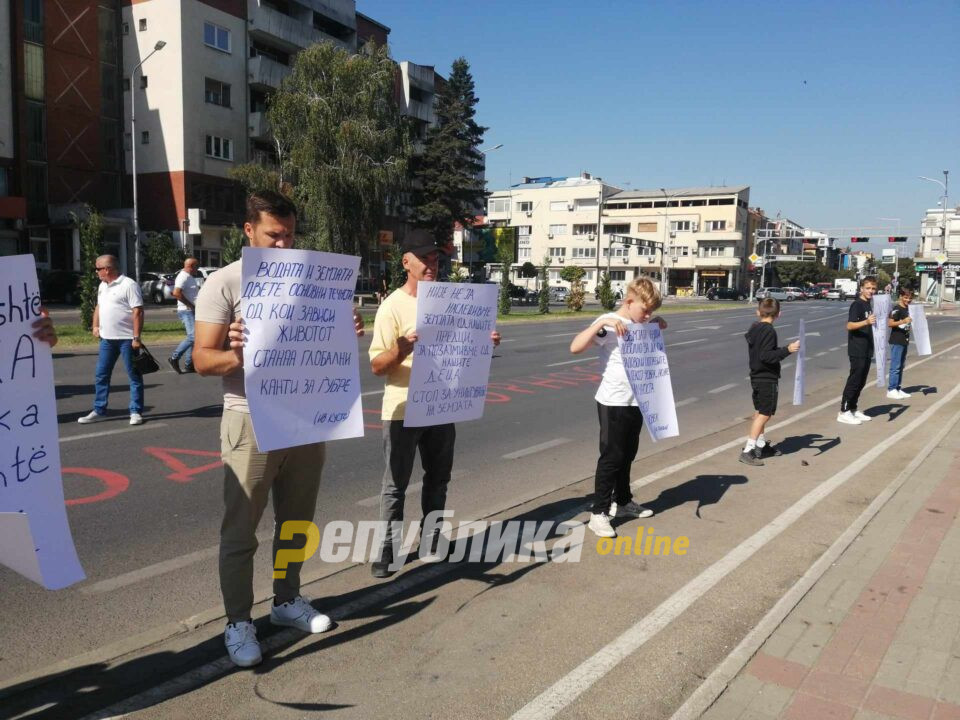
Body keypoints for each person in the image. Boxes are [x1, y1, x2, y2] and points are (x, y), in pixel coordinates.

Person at [193, 190, 365, 668]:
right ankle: (237, 621)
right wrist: (239, 355)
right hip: (249, 417)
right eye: (274, 235)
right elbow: (202, 359)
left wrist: (348, 326)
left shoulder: (314, 281)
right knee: (241, 529)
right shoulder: (225, 283)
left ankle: (287, 600)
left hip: (305, 416)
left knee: (297, 521)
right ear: (249, 231)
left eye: (290, 234)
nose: (285, 244)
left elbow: (331, 341)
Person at [368, 230, 500, 578]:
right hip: (403, 407)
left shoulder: (451, 300)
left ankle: (432, 539)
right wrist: (401, 349)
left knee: (438, 479)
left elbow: (464, 347)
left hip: (443, 405)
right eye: (425, 258)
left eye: (436, 258)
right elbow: (378, 366)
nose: (432, 264)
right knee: (395, 485)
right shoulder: (391, 306)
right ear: (406, 262)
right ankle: (386, 551)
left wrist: (484, 341)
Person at [569, 276, 668, 538]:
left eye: (652, 312)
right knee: (611, 457)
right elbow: (575, 347)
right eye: (644, 310)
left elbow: (651, 335)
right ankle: (599, 513)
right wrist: (601, 323)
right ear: (629, 301)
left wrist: (655, 325)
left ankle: (623, 502)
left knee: (628, 454)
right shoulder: (610, 323)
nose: (647, 315)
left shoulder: (642, 324)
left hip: (637, 400)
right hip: (613, 400)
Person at [77, 255, 145, 426]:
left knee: (134, 375)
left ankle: (135, 411)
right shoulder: (102, 286)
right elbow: (99, 307)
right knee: (101, 374)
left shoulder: (128, 285)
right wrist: (95, 325)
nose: (96, 272)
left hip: (127, 339)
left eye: (97, 268)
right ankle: (99, 410)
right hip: (107, 340)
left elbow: (138, 312)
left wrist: (136, 337)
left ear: (107, 269)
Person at [739, 298, 800, 466]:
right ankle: (748, 450)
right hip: (767, 377)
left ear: (758, 312)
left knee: (760, 411)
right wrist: (787, 350)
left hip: (756, 375)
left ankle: (761, 445)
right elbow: (766, 356)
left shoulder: (755, 328)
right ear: (779, 314)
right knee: (765, 414)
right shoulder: (769, 331)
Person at [838, 276, 878, 425]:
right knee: (854, 380)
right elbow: (849, 325)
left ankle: (853, 408)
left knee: (862, 381)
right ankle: (844, 410)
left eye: (873, 288)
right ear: (861, 288)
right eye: (868, 288)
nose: (871, 291)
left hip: (867, 348)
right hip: (857, 348)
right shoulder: (857, 305)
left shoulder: (869, 304)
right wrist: (866, 322)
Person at [168, 256, 199, 374]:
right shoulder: (183, 276)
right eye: (197, 266)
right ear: (191, 266)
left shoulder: (189, 277)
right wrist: (191, 305)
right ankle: (174, 358)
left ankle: (189, 364)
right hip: (186, 311)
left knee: (193, 338)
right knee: (193, 336)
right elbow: (176, 293)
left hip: (191, 310)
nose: (198, 268)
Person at [886, 286, 914, 400]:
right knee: (895, 366)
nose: (908, 300)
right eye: (906, 297)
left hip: (904, 340)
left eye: (910, 298)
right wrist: (903, 321)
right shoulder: (896, 309)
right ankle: (891, 389)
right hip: (896, 340)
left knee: (901, 366)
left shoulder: (907, 309)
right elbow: (890, 323)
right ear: (901, 297)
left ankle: (897, 388)